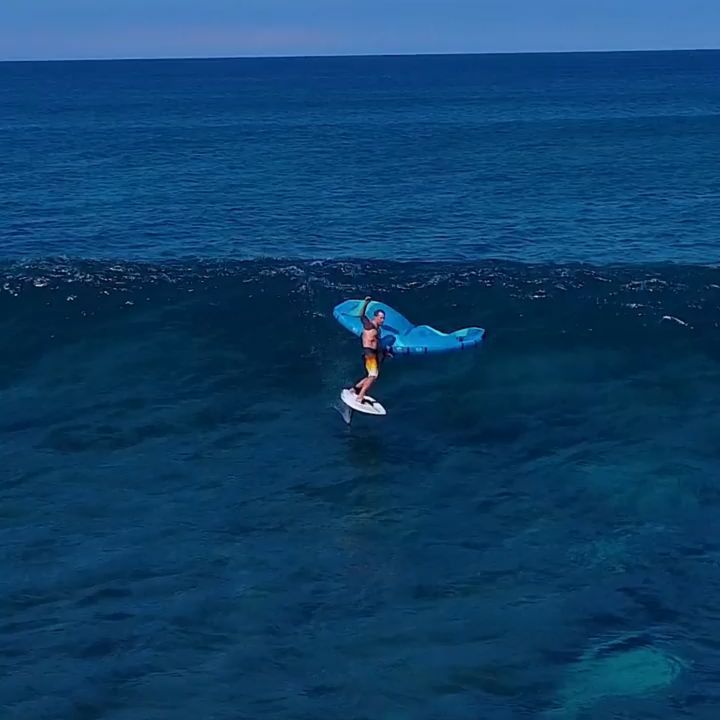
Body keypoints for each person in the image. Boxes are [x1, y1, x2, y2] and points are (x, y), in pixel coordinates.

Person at [350, 296, 391, 404]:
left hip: (374, 353)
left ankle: (354, 389)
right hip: (368, 353)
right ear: (375, 317)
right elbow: (361, 315)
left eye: (383, 318)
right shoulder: (369, 325)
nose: (383, 320)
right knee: (373, 376)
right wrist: (366, 303)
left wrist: (385, 352)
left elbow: (377, 342)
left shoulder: (378, 329)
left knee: (371, 376)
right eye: (381, 318)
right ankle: (360, 397)